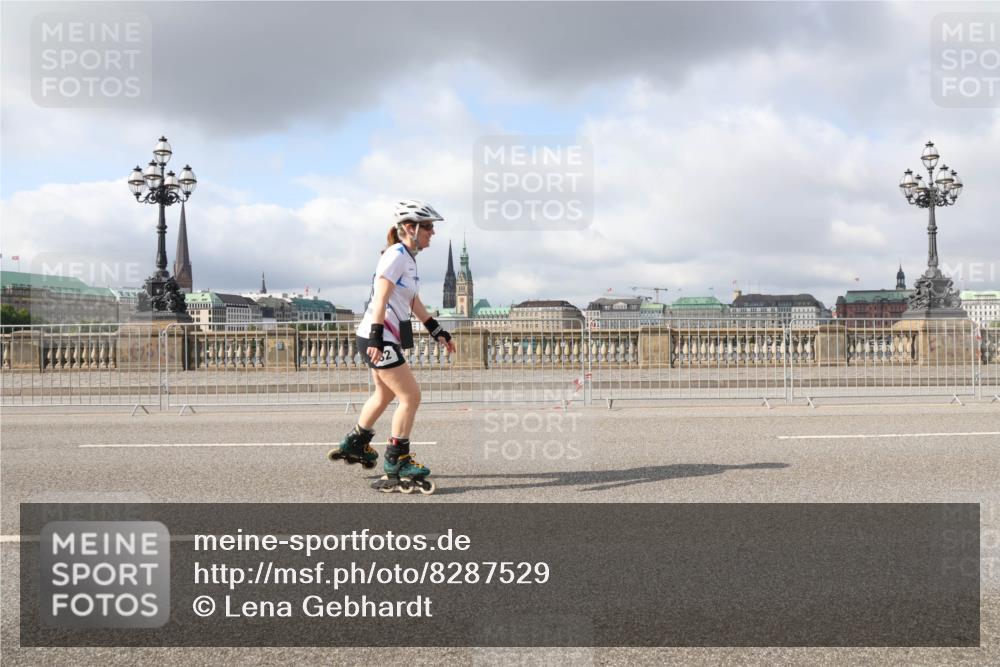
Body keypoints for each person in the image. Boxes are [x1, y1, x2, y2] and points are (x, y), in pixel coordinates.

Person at [328, 200, 456, 495]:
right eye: (428, 227)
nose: (432, 233)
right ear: (409, 229)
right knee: (410, 395)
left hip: (384, 335)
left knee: (385, 393)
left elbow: (412, 302)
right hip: (380, 335)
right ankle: (396, 462)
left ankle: (356, 443)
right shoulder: (396, 255)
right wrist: (375, 337)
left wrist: (436, 329)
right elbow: (382, 296)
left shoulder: (408, 258)